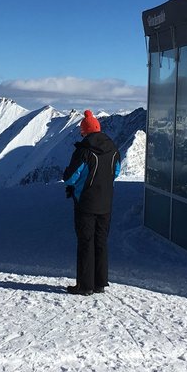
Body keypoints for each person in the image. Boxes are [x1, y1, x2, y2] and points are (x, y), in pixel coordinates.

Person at [62, 110, 121, 295]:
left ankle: (84, 286)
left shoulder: (84, 151)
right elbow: (116, 172)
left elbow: (71, 177)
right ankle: (99, 283)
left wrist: (77, 186)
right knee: (101, 241)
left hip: (85, 203)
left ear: (84, 131)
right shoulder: (113, 149)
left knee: (86, 242)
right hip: (106, 203)